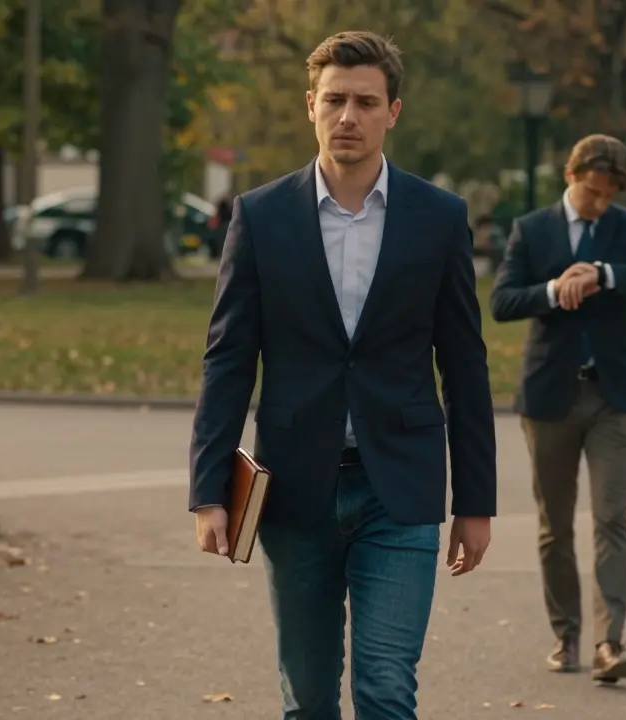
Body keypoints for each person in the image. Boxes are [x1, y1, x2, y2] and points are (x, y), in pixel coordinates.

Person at [188, 30, 497, 719]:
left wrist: (476, 501)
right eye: (335, 100)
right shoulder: (261, 217)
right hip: (296, 489)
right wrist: (209, 489)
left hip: (402, 485)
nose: (348, 116)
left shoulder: (439, 218)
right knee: (308, 696)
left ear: (394, 111)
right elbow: (229, 360)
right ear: (310, 106)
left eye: (365, 101)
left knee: (387, 687)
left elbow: (465, 366)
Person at [489, 134, 626, 685]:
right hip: (550, 395)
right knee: (555, 525)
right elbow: (502, 301)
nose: (599, 203)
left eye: (608, 195)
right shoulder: (532, 229)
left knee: (612, 518)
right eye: (592, 191)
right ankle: (566, 633)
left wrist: (605, 274)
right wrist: (554, 288)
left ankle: (608, 643)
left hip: (615, 397)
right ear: (570, 177)